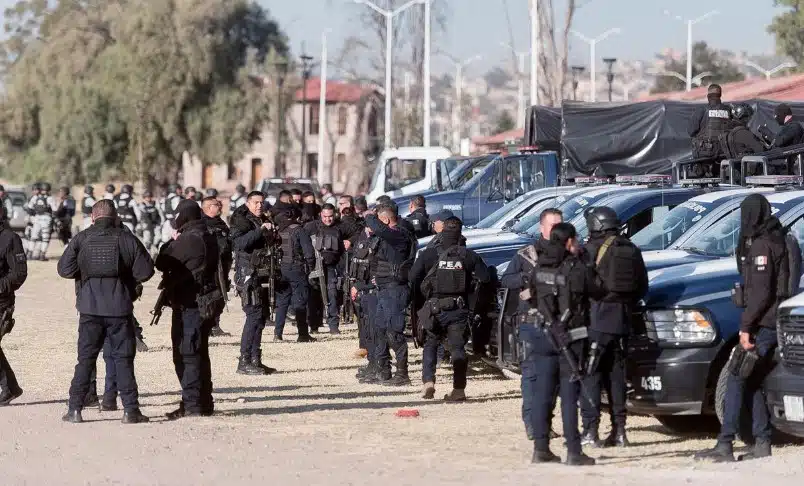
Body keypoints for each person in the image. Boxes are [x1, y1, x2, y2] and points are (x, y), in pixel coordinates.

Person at [694, 194, 789, 462]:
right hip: (772, 319)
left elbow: (760, 293)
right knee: (752, 379)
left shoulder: (761, 245)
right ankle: (762, 441)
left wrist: (746, 327)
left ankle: (725, 443)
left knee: (737, 375)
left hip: (762, 323)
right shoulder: (776, 237)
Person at [57, 199, 153, 424]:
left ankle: (75, 410)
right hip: (119, 308)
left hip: (89, 308)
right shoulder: (126, 238)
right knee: (123, 360)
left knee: (85, 360)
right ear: (116, 217)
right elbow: (146, 271)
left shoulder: (82, 238)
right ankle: (130, 411)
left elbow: (64, 269)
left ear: (92, 216)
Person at [525, 222, 597, 465]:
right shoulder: (573, 269)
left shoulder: (540, 267)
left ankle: (541, 448)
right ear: (568, 242)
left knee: (543, 394)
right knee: (569, 396)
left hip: (542, 336)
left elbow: (533, 295)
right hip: (570, 338)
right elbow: (594, 290)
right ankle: (574, 452)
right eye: (575, 241)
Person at [581, 206, 648, 447]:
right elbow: (642, 286)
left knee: (591, 375)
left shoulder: (590, 250)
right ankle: (620, 431)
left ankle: (590, 430)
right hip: (623, 322)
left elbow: (582, 286)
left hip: (597, 321)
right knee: (616, 378)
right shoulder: (631, 249)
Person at [410, 217, 490, 401]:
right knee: (457, 349)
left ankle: (428, 382)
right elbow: (485, 278)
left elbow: (413, 277)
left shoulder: (429, 254)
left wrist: (422, 302)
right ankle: (459, 390)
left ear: (442, 230)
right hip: (458, 309)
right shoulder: (468, 255)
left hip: (434, 308)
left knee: (430, 344)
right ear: (460, 233)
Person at [155, 200, 221, 420]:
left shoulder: (190, 238)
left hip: (191, 304)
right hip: (201, 302)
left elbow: (162, 261)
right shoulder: (206, 234)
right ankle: (202, 402)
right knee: (199, 353)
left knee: (188, 354)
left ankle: (193, 404)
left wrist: (170, 242)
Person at [501, 208, 563, 439]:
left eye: (560, 225)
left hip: (558, 323)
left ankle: (545, 422)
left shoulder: (567, 253)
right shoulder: (526, 254)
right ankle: (531, 422)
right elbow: (506, 280)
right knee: (532, 375)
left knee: (555, 378)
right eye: (552, 225)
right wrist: (528, 279)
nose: (556, 229)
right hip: (531, 323)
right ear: (541, 228)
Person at [363, 203, 416, 386]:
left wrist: (369, 215)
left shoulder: (399, 235)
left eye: (378, 221)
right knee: (379, 329)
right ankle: (383, 369)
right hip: (384, 289)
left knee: (394, 331)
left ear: (385, 220)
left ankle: (403, 374)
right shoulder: (385, 237)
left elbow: (379, 229)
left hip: (396, 290)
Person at [231, 192, 279, 374]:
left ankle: (255, 359)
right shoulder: (241, 221)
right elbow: (240, 244)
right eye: (255, 202)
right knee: (253, 316)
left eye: (261, 202)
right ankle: (244, 361)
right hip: (248, 275)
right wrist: (260, 231)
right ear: (248, 203)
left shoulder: (263, 219)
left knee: (260, 318)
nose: (259, 206)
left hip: (263, 274)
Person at [273, 207, 316, 342]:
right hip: (297, 269)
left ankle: (277, 334)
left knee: (282, 303)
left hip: (281, 269)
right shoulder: (299, 231)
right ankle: (303, 334)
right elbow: (309, 253)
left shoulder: (280, 231)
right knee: (300, 301)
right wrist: (310, 268)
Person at [0, 204, 27, 406]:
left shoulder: (10, 238)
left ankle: (9, 388)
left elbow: (18, 274)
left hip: (2, 302)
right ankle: (10, 388)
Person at [304, 203, 345, 335]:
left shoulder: (339, 228)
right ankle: (314, 325)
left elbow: (355, 233)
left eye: (331, 216)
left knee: (332, 295)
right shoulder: (311, 227)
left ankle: (333, 326)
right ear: (320, 215)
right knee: (314, 296)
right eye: (325, 216)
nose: (328, 219)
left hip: (332, 268)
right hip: (314, 267)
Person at [351, 223, 381, 380]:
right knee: (367, 331)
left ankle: (378, 366)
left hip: (373, 293)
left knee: (375, 332)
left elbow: (377, 276)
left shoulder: (380, 244)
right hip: (363, 293)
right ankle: (372, 364)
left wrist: (360, 286)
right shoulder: (363, 241)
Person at [202, 196, 233, 338]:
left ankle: (215, 325)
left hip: (223, 265)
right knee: (211, 297)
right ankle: (207, 326)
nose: (220, 207)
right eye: (217, 205)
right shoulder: (202, 224)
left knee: (221, 295)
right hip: (210, 267)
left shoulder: (220, 223)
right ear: (209, 207)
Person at [689, 84, 732, 159]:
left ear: (708, 96)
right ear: (720, 95)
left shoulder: (702, 110)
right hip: (724, 152)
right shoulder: (728, 110)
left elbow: (691, 131)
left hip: (705, 153)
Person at [24, 182, 55, 261]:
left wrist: (33, 216)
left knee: (33, 237)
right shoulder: (50, 198)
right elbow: (55, 209)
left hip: (37, 219)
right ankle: (42, 255)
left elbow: (29, 208)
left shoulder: (35, 197)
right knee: (45, 238)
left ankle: (30, 254)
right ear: (48, 189)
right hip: (46, 219)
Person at [139, 191, 162, 255]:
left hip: (155, 224)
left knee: (158, 238)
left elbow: (160, 213)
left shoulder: (155, 204)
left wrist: (160, 223)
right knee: (147, 240)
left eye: (149, 197)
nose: (148, 198)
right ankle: (147, 255)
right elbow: (141, 216)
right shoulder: (142, 205)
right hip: (147, 225)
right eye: (146, 197)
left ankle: (155, 252)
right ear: (144, 198)